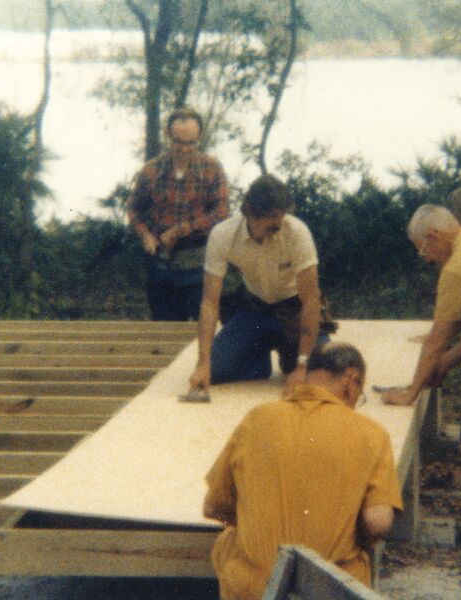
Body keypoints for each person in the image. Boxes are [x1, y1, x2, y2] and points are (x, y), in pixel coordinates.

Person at [203, 342, 403, 600]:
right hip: (328, 590)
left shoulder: (257, 419)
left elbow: (213, 507)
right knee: (356, 561)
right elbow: (378, 523)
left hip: (257, 589)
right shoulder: (372, 434)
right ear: (351, 382)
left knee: (229, 542)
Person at [189, 174, 332, 394]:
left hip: (294, 310)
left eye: (282, 215)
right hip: (256, 310)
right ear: (249, 212)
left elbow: (311, 300)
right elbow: (209, 302)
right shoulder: (223, 235)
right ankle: (259, 359)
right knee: (217, 370)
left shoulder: (297, 233)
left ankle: (291, 356)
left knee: (324, 375)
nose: (280, 222)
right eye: (272, 218)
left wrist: (303, 365)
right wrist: (202, 363)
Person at [381, 204, 461, 406]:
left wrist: (410, 393)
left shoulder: (457, 268)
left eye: (423, 250)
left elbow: (436, 343)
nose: (428, 259)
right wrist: (445, 361)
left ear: (433, 235)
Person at [127, 106, 228, 321]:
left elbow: (221, 211)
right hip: (161, 266)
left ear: (199, 138)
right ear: (168, 137)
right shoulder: (151, 170)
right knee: (164, 333)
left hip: (199, 265)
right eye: (178, 142)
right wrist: (145, 234)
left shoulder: (212, 168)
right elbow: (134, 208)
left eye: (190, 143)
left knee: (204, 331)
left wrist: (182, 229)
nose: (183, 149)